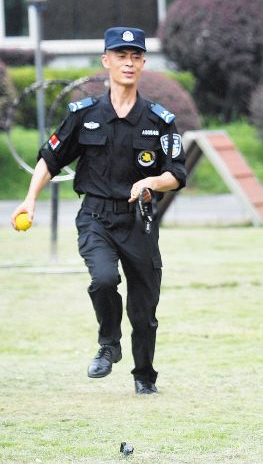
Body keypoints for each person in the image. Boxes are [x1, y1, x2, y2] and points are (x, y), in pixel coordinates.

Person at [9, 27, 187, 395]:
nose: (128, 62)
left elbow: (176, 172)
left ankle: (144, 377)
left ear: (143, 63)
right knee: (103, 279)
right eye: (121, 55)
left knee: (144, 310)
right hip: (95, 217)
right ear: (106, 61)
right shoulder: (83, 115)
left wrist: (151, 182)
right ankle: (108, 344)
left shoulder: (159, 120)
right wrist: (29, 200)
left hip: (138, 221)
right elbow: (49, 158)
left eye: (136, 56)